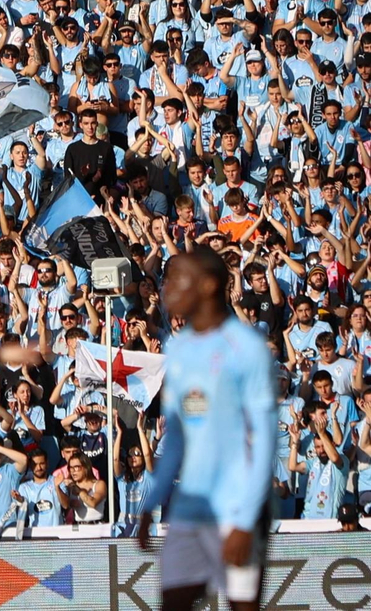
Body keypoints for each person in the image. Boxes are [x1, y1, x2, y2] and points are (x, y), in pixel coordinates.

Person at [137, 244, 277, 611]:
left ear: (210, 285)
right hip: (191, 505)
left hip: (237, 505)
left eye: (178, 280)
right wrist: (151, 502)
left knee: (242, 607)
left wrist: (245, 520)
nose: (166, 289)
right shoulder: (179, 348)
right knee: (174, 604)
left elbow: (263, 439)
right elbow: (179, 438)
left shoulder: (246, 347)